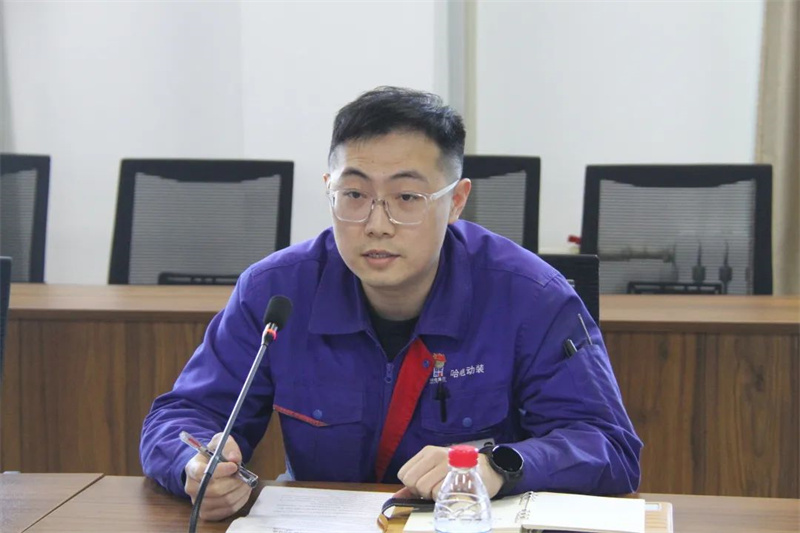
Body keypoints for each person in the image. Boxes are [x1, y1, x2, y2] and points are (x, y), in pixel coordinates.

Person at [140, 86, 642, 521]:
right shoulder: (275, 292)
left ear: (457, 200)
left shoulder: (530, 296)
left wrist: (497, 467)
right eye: (354, 194)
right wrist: (194, 467)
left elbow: (609, 446)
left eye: (406, 198)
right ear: (329, 191)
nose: (376, 224)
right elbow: (184, 414)